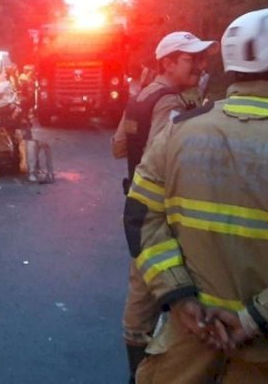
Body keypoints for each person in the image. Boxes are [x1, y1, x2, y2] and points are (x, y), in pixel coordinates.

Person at [125, 7, 268, 383]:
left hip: (185, 341)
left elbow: (141, 217)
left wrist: (181, 299)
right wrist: (255, 320)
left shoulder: (180, 130)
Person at [112, 31, 218, 382]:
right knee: (162, 286)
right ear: (168, 62)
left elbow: (119, 147)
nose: (200, 64)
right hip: (164, 211)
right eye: (191, 59)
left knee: (141, 291)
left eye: (200, 58)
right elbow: (167, 160)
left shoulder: (141, 96)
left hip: (139, 204)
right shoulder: (170, 103)